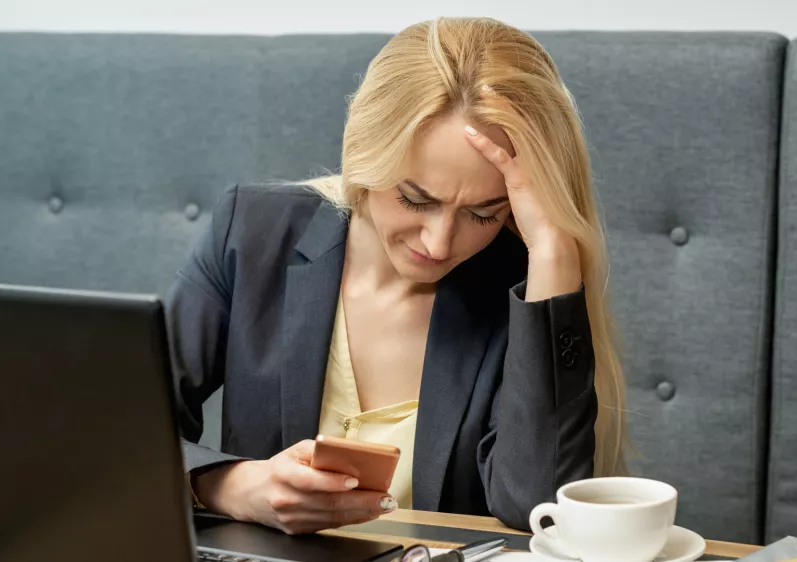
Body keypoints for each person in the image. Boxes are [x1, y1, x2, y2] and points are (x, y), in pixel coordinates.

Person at [167, 16, 626, 535]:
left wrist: (555, 254)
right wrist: (233, 487)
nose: (439, 243)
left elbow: (535, 506)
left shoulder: (523, 286)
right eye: (415, 198)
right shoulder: (251, 233)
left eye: (484, 213)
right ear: (365, 155)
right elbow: (118, 428)